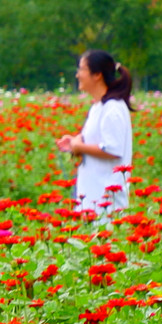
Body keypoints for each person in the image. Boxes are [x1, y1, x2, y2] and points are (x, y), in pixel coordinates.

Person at [57, 49, 134, 216]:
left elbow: (113, 149)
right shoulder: (98, 107)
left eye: (81, 69)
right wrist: (74, 143)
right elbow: (95, 142)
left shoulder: (112, 108)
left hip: (106, 201)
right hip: (92, 196)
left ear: (97, 74)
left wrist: (80, 146)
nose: (78, 75)